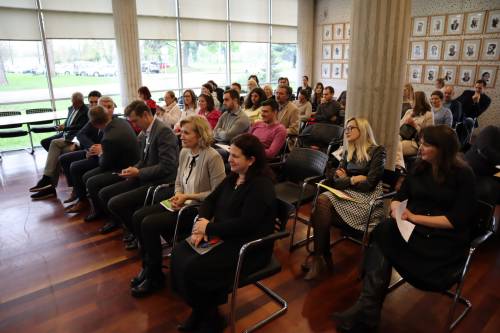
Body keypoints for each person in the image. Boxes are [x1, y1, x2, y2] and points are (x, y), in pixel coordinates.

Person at [334, 125, 477, 332]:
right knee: (383, 230)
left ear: (443, 149)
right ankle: (368, 308)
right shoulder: (420, 167)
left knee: (383, 234)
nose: (420, 148)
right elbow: (400, 197)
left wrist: (414, 217)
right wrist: (394, 208)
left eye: (427, 144)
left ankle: (367, 310)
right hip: (415, 230)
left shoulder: (464, 175)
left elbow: (457, 220)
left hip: (442, 243)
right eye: (421, 142)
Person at [171, 133, 276, 333]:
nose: (230, 159)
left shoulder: (261, 186)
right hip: (225, 235)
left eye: (235, 156)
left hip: (249, 246)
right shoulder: (234, 176)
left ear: (251, 160)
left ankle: (208, 316)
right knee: (179, 253)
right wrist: (201, 222)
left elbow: (246, 225)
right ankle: (203, 310)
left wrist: (208, 228)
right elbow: (210, 200)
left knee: (195, 267)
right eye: (231, 154)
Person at [129, 115, 226, 297]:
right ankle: (148, 266)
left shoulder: (213, 157)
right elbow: (179, 181)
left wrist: (187, 196)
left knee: (148, 224)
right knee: (137, 216)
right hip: (181, 202)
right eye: (181, 132)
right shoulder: (184, 152)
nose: (181, 136)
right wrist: (178, 194)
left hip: (196, 209)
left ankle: (155, 275)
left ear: (200, 134)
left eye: (186, 133)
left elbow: (217, 194)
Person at [304, 117, 386, 280]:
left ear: (362, 130)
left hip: (368, 201)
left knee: (319, 209)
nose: (346, 131)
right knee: (321, 204)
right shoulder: (349, 151)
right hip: (348, 195)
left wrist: (347, 179)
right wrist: (354, 179)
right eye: (346, 128)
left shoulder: (378, 151)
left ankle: (322, 256)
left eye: (351, 128)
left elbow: (369, 185)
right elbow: (336, 180)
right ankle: (321, 256)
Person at [103, 100, 179, 237]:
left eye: (135, 121)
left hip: (159, 182)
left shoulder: (163, 132)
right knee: (107, 194)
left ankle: (137, 234)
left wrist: (138, 172)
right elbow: (143, 161)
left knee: (115, 203)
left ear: (145, 115)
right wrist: (133, 169)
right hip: (146, 177)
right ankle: (135, 231)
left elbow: (167, 167)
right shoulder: (145, 132)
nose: (133, 125)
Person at [81, 105, 140, 222]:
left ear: (94, 124)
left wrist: (99, 152)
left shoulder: (108, 138)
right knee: (86, 176)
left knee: (91, 182)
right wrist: (102, 150)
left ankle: (110, 217)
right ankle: (99, 209)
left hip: (124, 169)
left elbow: (104, 164)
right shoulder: (121, 121)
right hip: (129, 161)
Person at [30, 92, 90, 199]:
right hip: (67, 135)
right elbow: (70, 121)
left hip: (73, 137)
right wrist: (64, 124)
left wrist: (67, 132)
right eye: (73, 102)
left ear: (80, 102)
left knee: (54, 144)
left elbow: (79, 128)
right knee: (54, 149)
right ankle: (49, 186)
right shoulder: (71, 108)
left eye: (76, 103)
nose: (74, 104)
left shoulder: (86, 111)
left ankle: (47, 179)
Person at [62, 96, 115, 209]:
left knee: (75, 167)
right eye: (103, 107)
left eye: (109, 107)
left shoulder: (116, 123)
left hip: (105, 157)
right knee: (64, 158)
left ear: (113, 108)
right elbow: (80, 134)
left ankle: (82, 200)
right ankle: (76, 189)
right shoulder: (96, 119)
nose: (107, 110)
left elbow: (112, 147)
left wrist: (97, 150)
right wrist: (91, 148)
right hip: (92, 151)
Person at [464, 125, 500, 208]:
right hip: (472, 168)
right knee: (490, 189)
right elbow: (484, 149)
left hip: (489, 172)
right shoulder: (491, 130)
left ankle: (489, 213)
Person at [400, 91, 434, 157]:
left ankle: (398, 167)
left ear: (418, 101)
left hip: (416, 142)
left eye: (412, 99)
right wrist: (405, 122)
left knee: (397, 147)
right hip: (403, 137)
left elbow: (428, 135)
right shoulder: (409, 112)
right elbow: (399, 126)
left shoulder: (428, 115)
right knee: (389, 144)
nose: (410, 102)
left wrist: (414, 125)